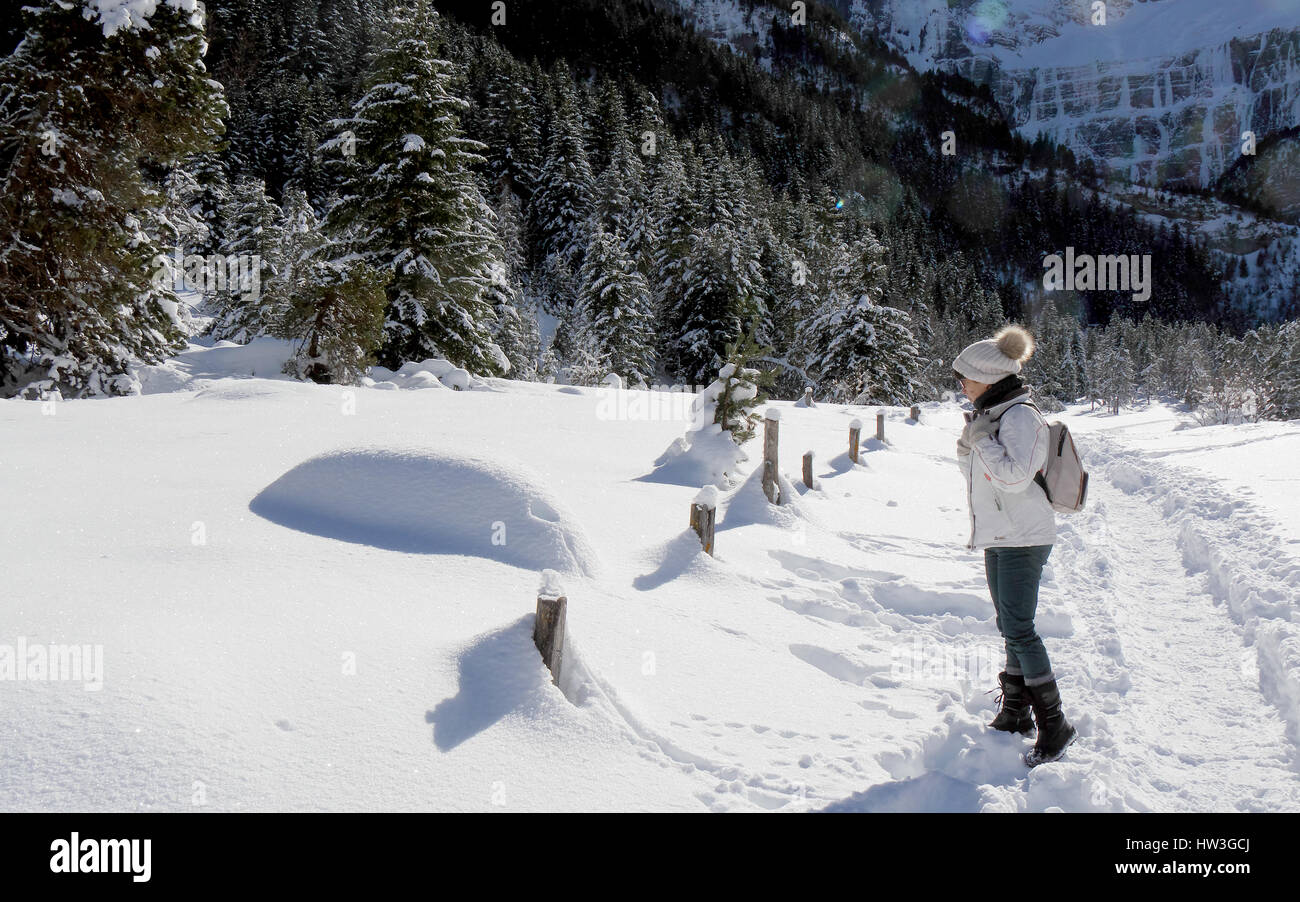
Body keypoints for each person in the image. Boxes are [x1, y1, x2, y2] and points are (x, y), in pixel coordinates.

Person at [954, 324, 1077, 767]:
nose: (961, 386)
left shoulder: (1020, 416)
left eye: (965, 378)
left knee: (1020, 629)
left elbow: (1013, 477)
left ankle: (1055, 724)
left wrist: (981, 440)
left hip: (1025, 535)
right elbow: (983, 481)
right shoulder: (994, 414)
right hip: (1002, 533)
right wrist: (969, 448)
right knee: (1010, 627)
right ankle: (1015, 712)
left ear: (988, 378)